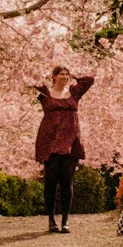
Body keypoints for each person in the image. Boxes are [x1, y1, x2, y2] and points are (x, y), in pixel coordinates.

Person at [32, 66, 94, 233]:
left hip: (71, 141)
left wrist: (73, 76)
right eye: (61, 74)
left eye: (67, 74)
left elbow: (89, 80)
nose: (65, 77)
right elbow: (29, 79)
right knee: (51, 181)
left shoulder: (74, 92)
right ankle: (51, 219)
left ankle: (65, 220)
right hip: (50, 140)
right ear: (54, 76)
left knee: (67, 181)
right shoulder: (45, 92)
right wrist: (44, 77)